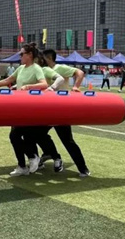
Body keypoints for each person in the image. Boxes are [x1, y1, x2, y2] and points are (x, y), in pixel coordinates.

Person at [0, 42, 47, 177]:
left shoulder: (36, 68)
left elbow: (44, 84)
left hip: (30, 108)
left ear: (30, 55)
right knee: (15, 136)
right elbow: (8, 80)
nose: (20, 56)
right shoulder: (21, 68)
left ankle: (31, 158)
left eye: (22, 54)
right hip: (19, 107)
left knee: (16, 135)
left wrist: (28, 86)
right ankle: (23, 164)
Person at [38, 49, 91, 177]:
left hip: (60, 110)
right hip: (47, 110)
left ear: (48, 58)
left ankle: (83, 169)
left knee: (67, 141)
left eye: (42, 58)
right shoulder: (43, 71)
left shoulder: (59, 68)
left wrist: (76, 86)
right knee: (37, 134)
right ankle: (48, 153)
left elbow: (80, 72)